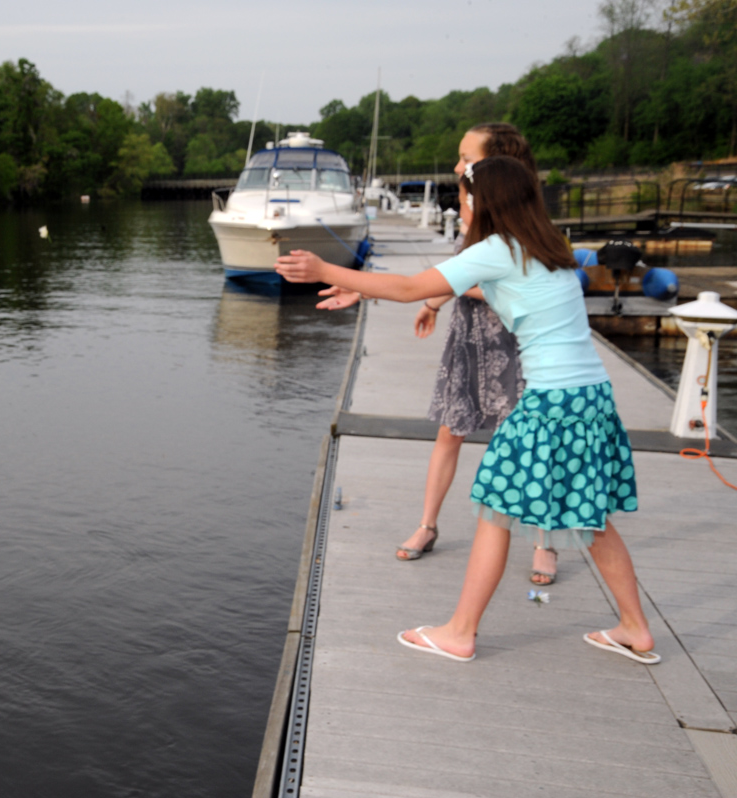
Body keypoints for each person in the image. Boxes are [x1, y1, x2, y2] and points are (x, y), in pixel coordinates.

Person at [275, 156, 657, 664]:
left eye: (463, 195)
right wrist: (365, 289)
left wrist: (326, 270)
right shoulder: (547, 247)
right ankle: (635, 627)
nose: (459, 204)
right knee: (592, 518)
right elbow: (476, 289)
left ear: (481, 201)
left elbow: (415, 286)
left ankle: (460, 632)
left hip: (550, 405)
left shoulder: (497, 250)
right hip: (592, 399)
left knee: (496, 509)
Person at [322, 123, 559, 585]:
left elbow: (502, 284)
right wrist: (432, 301)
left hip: (516, 341)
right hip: (471, 339)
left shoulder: (522, 219)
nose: (456, 166)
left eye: (465, 157)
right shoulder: (473, 208)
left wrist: (414, 292)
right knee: (450, 431)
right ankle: (428, 524)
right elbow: (451, 274)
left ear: (495, 162)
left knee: (532, 444)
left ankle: (544, 541)